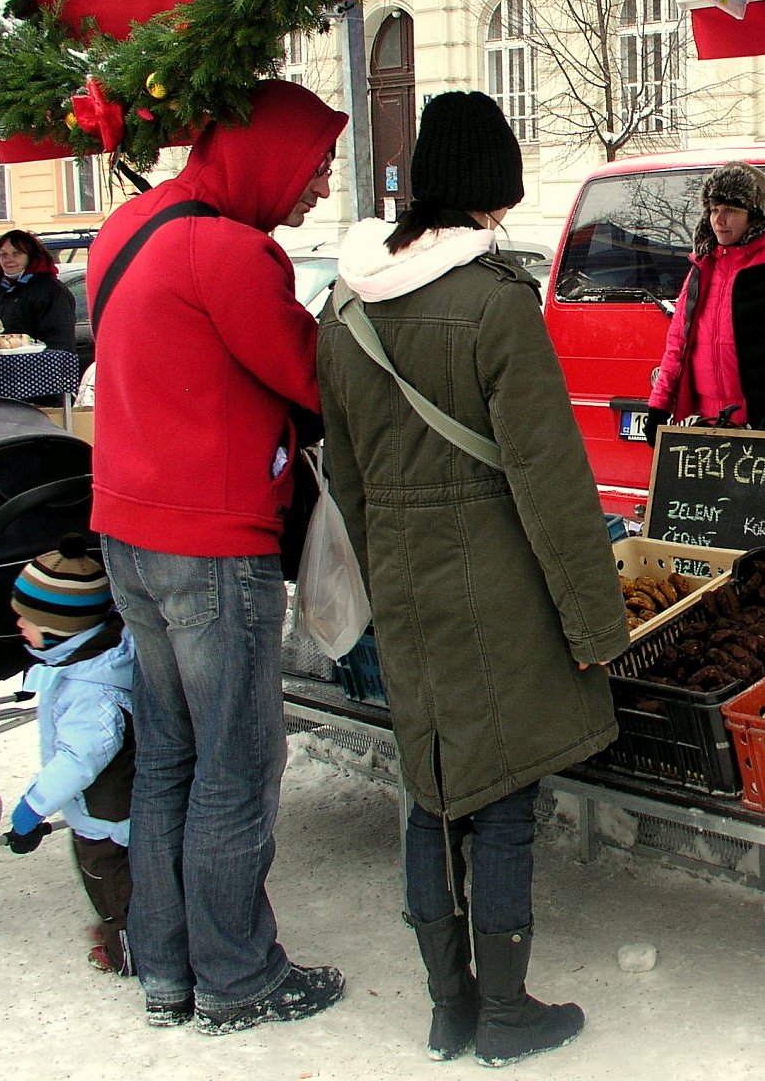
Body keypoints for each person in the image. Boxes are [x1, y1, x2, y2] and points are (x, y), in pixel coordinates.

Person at [316, 91, 630, 1067]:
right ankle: (503, 1011)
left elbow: (345, 477)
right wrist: (595, 624)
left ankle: (447, 1006)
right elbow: (553, 482)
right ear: (492, 184)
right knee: (500, 797)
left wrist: (371, 590)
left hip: (405, 587)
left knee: (432, 787)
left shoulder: (345, 306)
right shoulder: (496, 302)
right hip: (497, 580)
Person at [86, 78, 349, 1035]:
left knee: (169, 759)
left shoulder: (130, 228)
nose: (318, 187)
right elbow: (310, 375)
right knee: (237, 764)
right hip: (210, 546)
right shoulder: (233, 252)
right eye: (314, 165)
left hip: (128, 530)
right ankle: (238, 980)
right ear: (269, 154)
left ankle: (165, 969)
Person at [4, 533, 136, 977]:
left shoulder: (90, 692)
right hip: (113, 811)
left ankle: (129, 953)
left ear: (59, 630)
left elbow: (78, 760)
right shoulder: (90, 660)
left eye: (27, 620)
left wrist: (32, 808)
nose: (19, 626)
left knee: (111, 885)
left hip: (109, 818)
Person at [644, 160, 765, 444]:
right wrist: (659, 405)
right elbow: (678, 345)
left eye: (731, 210)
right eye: (714, 209)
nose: (719, 219)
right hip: (709, 426)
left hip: (764, 426)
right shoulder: (702, 268)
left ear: (754, 216)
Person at [0, 229, 76, 351]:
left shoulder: (51, 290)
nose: (9, 259)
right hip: (2, 365)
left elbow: (60, 339)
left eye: (16, 254)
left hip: (36, 365)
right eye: (4, 254)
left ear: (30, 257)